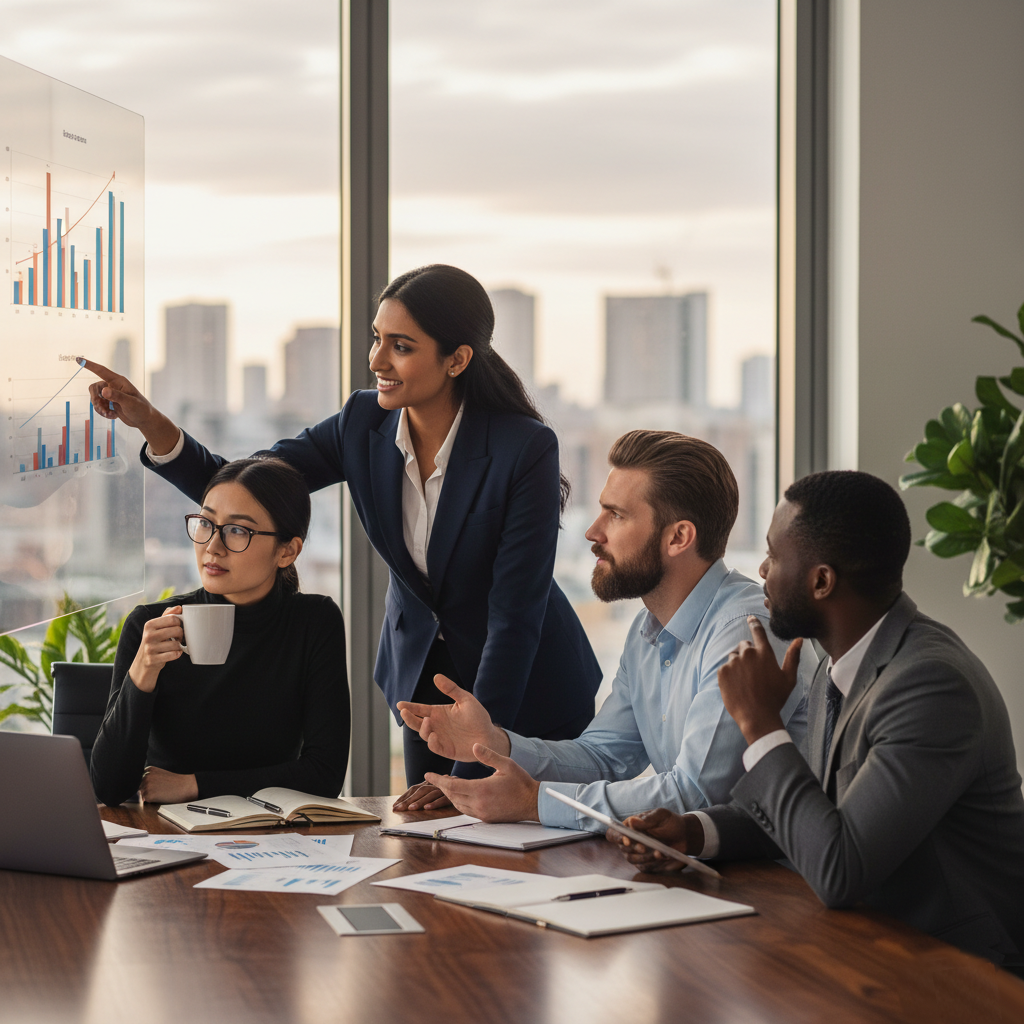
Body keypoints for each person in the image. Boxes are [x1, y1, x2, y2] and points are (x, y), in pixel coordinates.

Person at [82, 264, 601, 788]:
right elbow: (246, 492)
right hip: (427, 683)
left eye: (401, 346)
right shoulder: (362, 423)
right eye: (377, 339)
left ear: (457, 359)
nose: (376, 360)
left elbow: (514, 618)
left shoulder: (523, 447)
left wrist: (473, 764)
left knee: (530, 851)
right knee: (433, 852)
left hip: (526, 687)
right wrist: (148, 420)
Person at [608, 470, 1024, 972]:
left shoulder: (931, 686)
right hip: (865, 947)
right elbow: (813, 814)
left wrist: (761, 725)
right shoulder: (838, 662)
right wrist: (695, 833)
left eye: (775, 556)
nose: (762, 569)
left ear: (822, 581)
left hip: (957, 970)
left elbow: (840, 868)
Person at [394, 430, 813, 828]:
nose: (593, 532)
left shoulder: (743, 630)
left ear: (679, 537)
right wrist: (494, 741)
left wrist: (536, 803)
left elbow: (695, 797)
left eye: (616, 515)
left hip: (778, 883)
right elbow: (602, 757)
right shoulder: (648, 630)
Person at [90, 457, 350, 806]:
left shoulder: (314, 622)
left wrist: (194, 785)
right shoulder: (151, 626)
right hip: (170, 836)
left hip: (272, 837)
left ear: (287, 551)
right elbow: (109, 789)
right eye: (206, 524)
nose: (213, 546)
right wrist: (143, 671)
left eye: (238, 530)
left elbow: (324, 775)